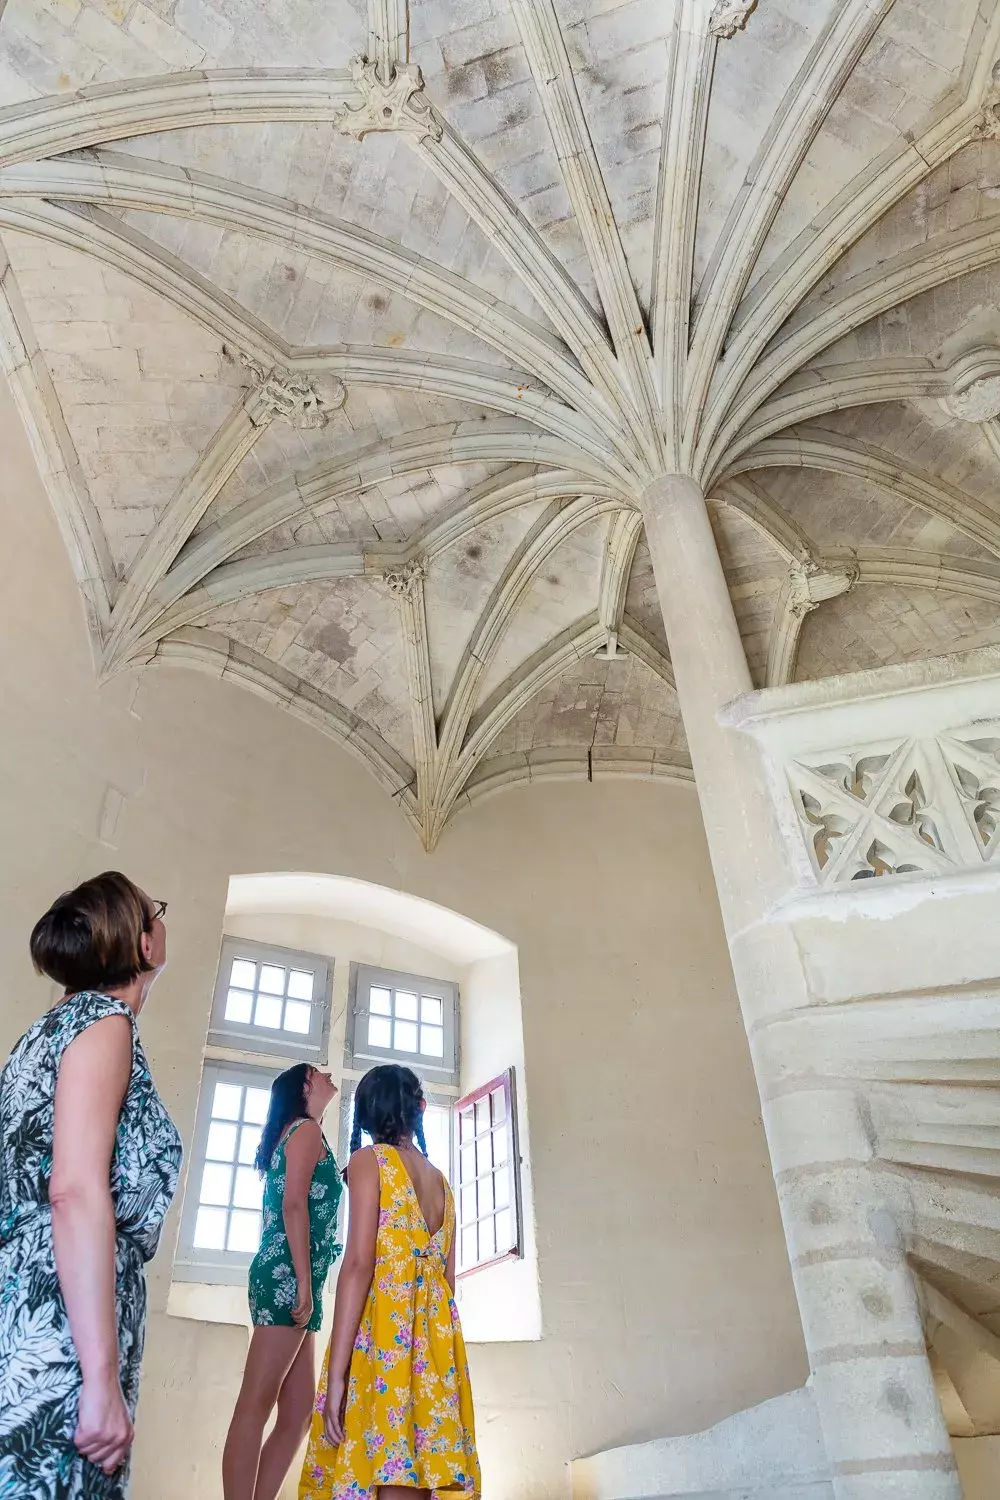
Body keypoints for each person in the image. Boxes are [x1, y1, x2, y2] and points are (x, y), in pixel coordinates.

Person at [0, 871, 182, 1498]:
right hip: (61, 1316)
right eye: (157, 911)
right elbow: (75, 1190)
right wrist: (100, 1378)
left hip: (33, 1297)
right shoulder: (104, 1024)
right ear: (144, 943)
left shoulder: (49, 1029)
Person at [299, 1064, 480, 1500]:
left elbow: (359, 1264)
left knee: (377, 1468)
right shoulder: (442, 1183)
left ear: (365, 1115)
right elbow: (447, 1285)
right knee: (418, 1472)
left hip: (383, 1340)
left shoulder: (370, 1161)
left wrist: (338, 1374)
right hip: (437, 1348)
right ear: (419, 1109)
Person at [223, 1063, 343, 1500]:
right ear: (304, 1086)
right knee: (255, 1404)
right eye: (318, 1072)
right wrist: (305, 1286)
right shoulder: (305, 1131)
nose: (328, 1074)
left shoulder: (306, 1133)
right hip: (288, 1276)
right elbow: (294, 1206)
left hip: (296, 1274)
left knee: (297, 1415)